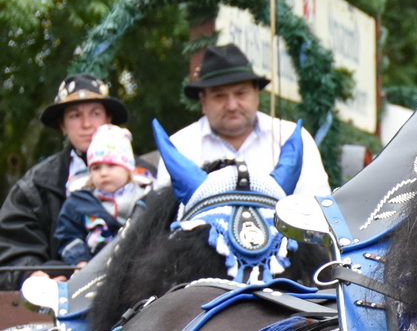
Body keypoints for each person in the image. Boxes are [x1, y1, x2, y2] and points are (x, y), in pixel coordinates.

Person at [0, 75, 130, 273]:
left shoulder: (144, 176)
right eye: (75, 116)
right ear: (62, 125)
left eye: (95, 113)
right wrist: (36, 275)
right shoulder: (35, 186)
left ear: (108, 119)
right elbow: (12, 248)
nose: (86, 124)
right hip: (61, 292)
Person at [169, 44, 329, 197]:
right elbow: (167, 217)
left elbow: (316, 208)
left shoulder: (291, 138)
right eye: (219, 96)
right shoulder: (180, 147)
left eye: (240, 93)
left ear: (256, 94)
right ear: (203, 101)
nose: (232, 106)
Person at [52, 124, 153, 265]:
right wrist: (80, 261)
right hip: (93, 269)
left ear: (128, 168)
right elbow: (68, 236)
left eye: (111, 166)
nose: (103, 173)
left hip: (140, 266)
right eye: (96, 167)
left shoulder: (148, 198)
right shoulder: (78, 203)